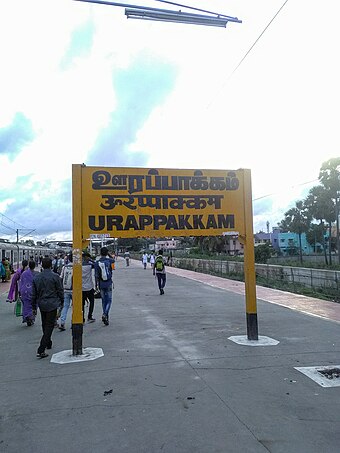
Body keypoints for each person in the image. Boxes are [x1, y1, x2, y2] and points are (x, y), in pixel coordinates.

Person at [32, 257, 64, 359]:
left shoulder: (37, 277)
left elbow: (34, 293)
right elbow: (60, 290)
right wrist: (62, 301)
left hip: (41, 303)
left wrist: (33, 306)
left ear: (41, 264)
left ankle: (48, 342)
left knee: (44, 323)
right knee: (50, 325)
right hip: (52, 303)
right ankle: (41, 349)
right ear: (51, 265)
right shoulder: (55, 277)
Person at [95, 247, 115, 326]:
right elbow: (113, 259)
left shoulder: (97, 263)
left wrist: (96, 285)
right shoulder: (109, 260)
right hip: (109, 282)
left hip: (101, 283)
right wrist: (108, 254)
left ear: (100, 253)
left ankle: (105, 315)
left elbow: (96, 275)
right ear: (106, 253)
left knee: (103, 300)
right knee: (109, 300)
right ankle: (105, 314)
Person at [58, 253, 73, 331]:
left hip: (65, 290)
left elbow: (61, 278)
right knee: (75, 307)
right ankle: (73, 322)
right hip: (74, 290)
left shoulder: (64, 267)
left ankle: (62, 322)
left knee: (65, 306)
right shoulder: (77, 267)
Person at [19, 261, 37, 326]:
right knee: (33, 305)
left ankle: (26, 316)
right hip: (33, 292)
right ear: (34, 266)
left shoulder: (24, 273)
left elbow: (21, 282)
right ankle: (31, 317)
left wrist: (19, 291)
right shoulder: (36, 274)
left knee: (26, 305)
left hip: (24, 291)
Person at [82, 252, 96, 323]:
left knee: (82, 304)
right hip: (89, 287)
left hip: (81, 288)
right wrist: (90, 260)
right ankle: (89, 316)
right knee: (92, 302)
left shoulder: (78, 266)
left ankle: (82, 319)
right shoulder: (90, 265)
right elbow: (96, 264)